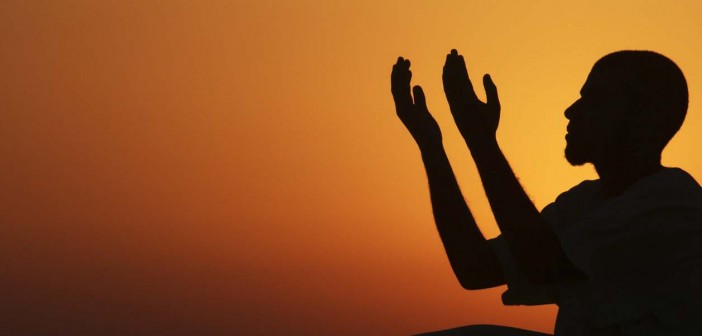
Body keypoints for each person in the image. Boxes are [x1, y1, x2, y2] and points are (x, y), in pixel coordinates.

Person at [391, 49, 702, 336]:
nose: (571, 111)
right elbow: (475, 269)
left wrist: (481, 141)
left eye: (594, 101)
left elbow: (540, 263)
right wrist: (431, 147)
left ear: (643, 118)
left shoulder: (672, 204)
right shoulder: (582, 203)